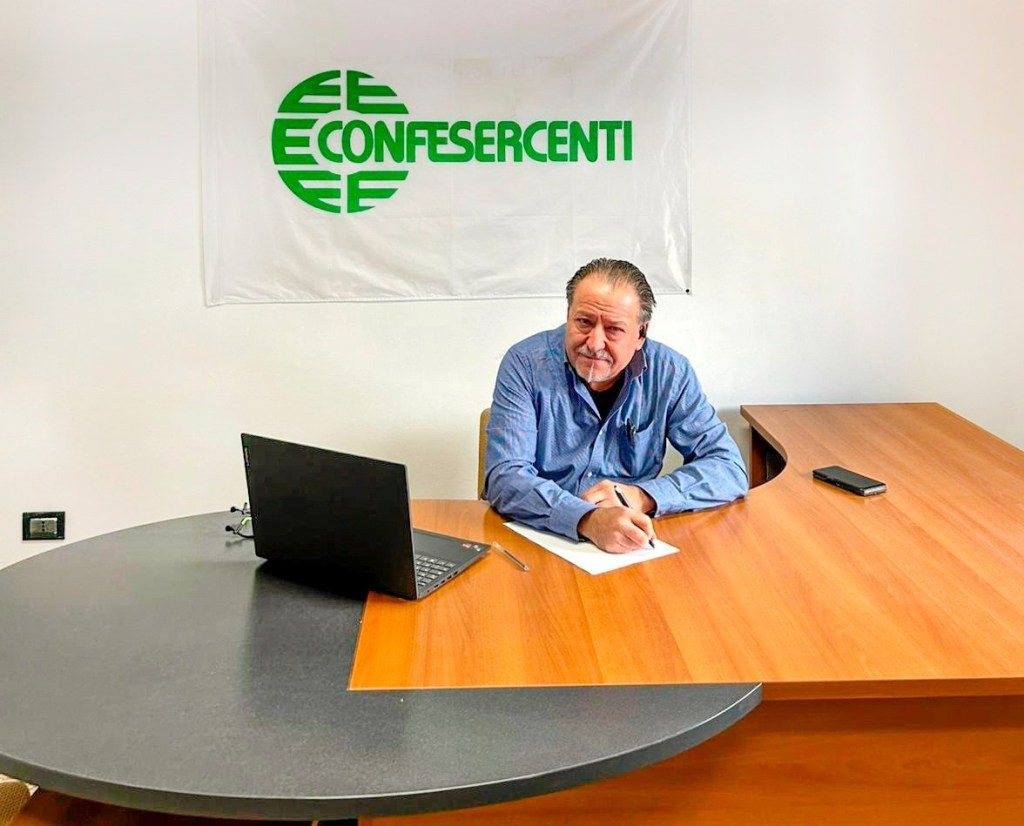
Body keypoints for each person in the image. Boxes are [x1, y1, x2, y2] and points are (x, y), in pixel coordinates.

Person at [483, 258, 748, 553]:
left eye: (613, 329)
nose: (594, 343)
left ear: (641, 334)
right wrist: (587, 519)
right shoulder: (525, 364)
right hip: (541, 538)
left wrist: (642, 496)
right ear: (568, 314)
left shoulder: (670, 373)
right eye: (584, 322)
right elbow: (505, 477)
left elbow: (728, 468)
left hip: (630, 542)